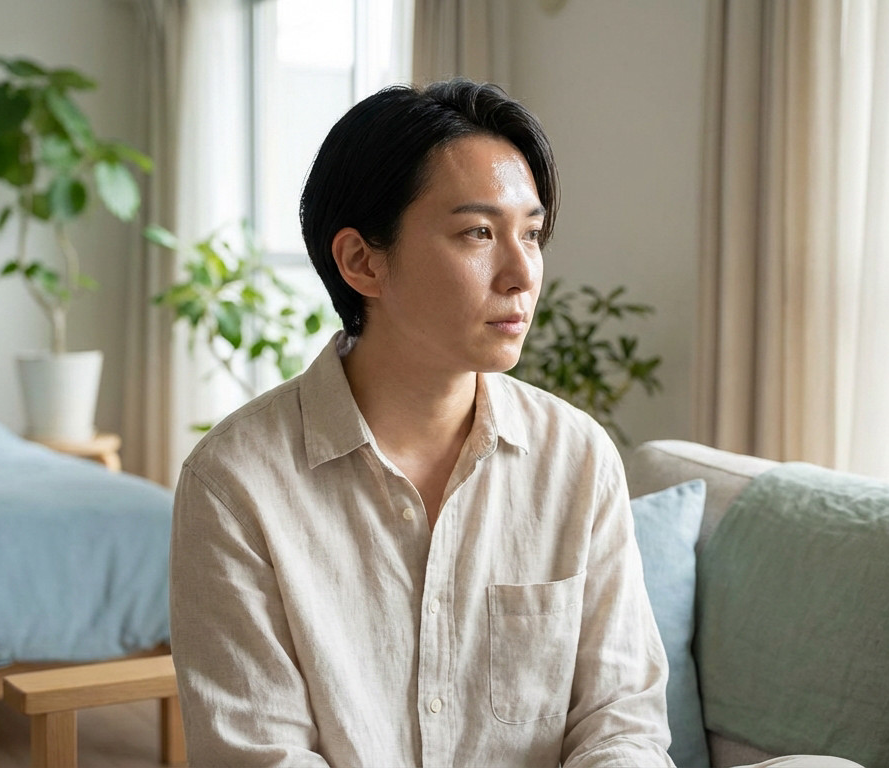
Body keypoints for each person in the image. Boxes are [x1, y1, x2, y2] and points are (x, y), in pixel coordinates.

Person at [169, 79, 675, 766]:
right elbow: (258, 753)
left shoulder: (577, 456)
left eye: (530, 233)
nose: (522, 273)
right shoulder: (236, 483)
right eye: (478, 233)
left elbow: (621, 723)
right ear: (361, 261)